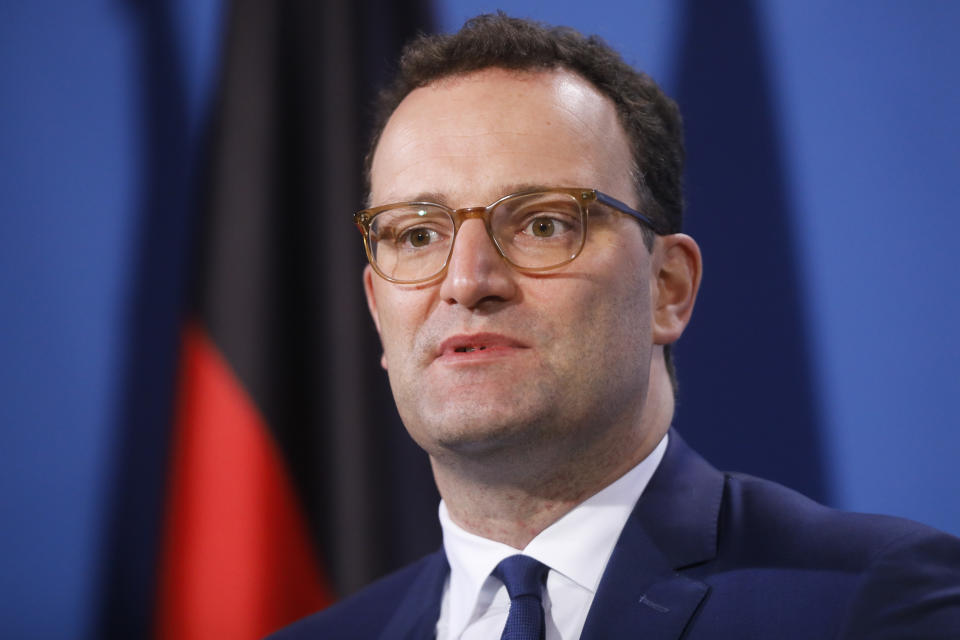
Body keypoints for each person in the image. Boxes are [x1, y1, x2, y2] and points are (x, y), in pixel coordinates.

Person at [271, 13, 960, 639]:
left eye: (543, 224)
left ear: (668, 288)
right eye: (418, 234)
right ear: (375, 308)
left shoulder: (871, 604)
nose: (466, 281)